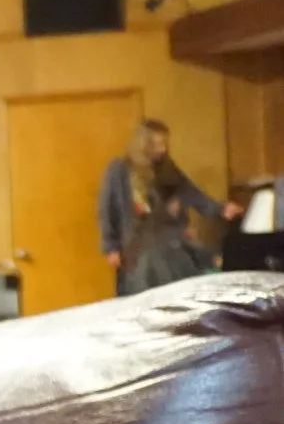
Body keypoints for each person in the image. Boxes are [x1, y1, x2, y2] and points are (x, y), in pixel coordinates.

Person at [99, 117, 242, 295]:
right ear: (143, 144)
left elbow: (191, 193)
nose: (163, 149)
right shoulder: (119, 170)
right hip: (137, 250)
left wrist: (220, 208)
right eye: (157, 144)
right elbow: (107, 210)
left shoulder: (167, 169)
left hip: (169, 245)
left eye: (164, 143)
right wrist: (110, 247)